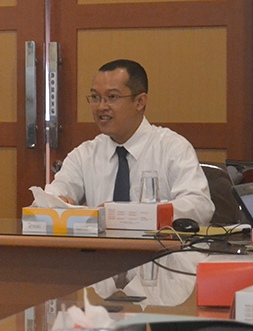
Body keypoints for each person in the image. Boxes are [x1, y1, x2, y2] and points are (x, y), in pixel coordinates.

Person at [45, 59, 214, 224]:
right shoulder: (85, 155)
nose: (101, 107)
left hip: (158, 243)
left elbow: (200, 206)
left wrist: (132, 214)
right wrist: (56, 204)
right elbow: (47, 201)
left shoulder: (172, 148)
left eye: (112, 97)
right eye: (95, 97)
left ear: (140, 102)